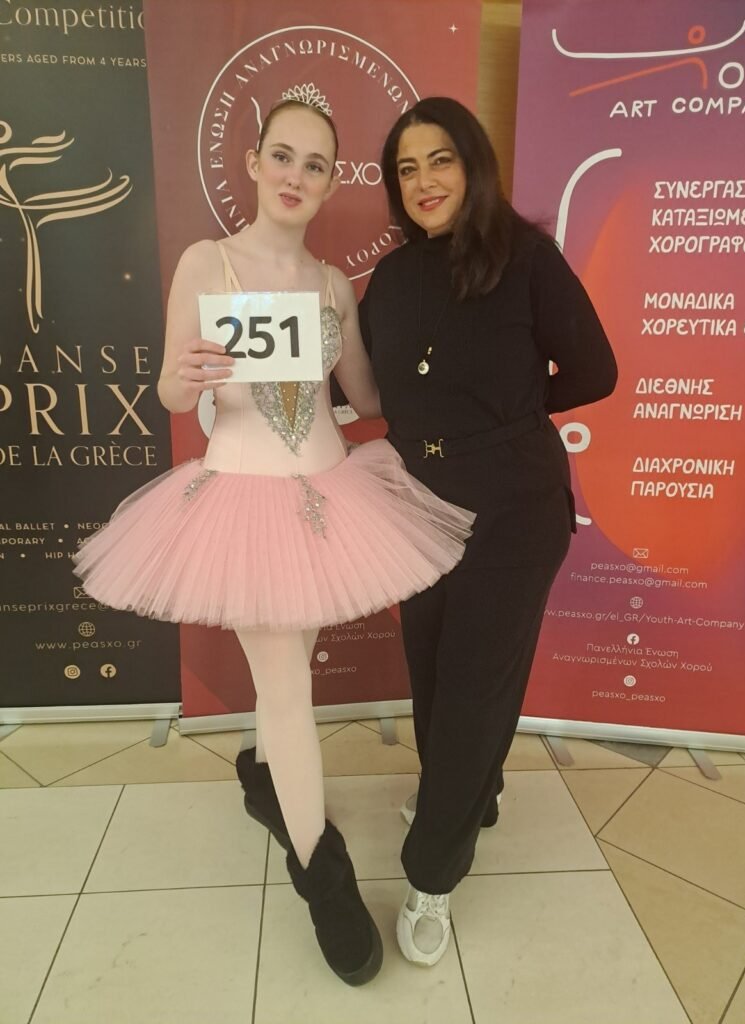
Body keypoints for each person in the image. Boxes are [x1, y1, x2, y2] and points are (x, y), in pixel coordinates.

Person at [73, 96, 475, 986]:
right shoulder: (206, 263)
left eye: (316, 165)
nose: (296, 176)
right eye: (283, 157)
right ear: (254, 164)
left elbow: (366, 397)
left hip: (328, 501)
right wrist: (184, 378)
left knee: (291, 670)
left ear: (332, 183)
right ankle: (322, 877)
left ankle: (265, 775)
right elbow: (175, 393)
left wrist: (450, 351)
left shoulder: (333, 286)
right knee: (289, 687)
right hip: (241, 500)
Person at [357, 97, 617, 967]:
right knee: (434, 672)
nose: (424, 181)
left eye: (440, 160)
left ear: (473, 165)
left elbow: (596, 370)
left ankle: (432, 871)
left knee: (474, 685)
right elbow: (368, 390)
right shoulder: (392, 279)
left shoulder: (525, 257)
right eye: (406, 168)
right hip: (418, 501)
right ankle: (475, 793)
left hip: (514, 507)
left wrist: (510, 414)